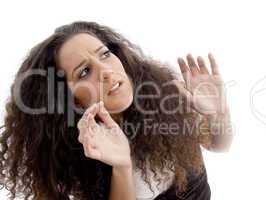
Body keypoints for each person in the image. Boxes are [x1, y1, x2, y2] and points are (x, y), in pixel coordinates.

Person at [0, 21, 233, 200]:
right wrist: (121, 165)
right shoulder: (74, 153)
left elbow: (219, 145)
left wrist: (218, 113)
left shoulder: (166, 92)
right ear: (74, 101)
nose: (106, 71)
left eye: (105, 54)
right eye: (84, 72)